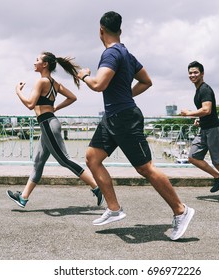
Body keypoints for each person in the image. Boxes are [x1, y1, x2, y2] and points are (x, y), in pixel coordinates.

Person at [77, 11, 194, 241]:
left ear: (101, 30)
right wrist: (125, 95)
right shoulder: (127, 55)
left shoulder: (110, 53)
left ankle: (181, 210)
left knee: (145, 168)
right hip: (113, 116)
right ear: (119, 31)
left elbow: (99, 84)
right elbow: (146, 81)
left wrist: (84, 76)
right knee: (92, 158)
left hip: (124, 118)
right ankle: (114, 208)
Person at [6, 51, 103, 208]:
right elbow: (72, 97)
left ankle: (97, 187)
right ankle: (23, 197)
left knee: (64, 159)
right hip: (48, 123)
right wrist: (55, 108)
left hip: (47, 124)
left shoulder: (42, 82)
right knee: (38, 162)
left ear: (44, 64)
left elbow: (30, 104)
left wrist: (18, 91)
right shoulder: (54, 83)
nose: (34, 62)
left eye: (37, 60)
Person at [181, 61, 219, 202]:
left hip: (213, 130)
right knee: (193, 157)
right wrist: (199, 120)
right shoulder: (198, 90)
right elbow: (206, 112)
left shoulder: (205, 89)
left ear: (202, 74)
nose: (192, 75)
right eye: (190, 73)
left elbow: (207, 110)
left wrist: (190, 113)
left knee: (218, 162)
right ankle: (218, 177)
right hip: (204, 129)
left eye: (195, 72)